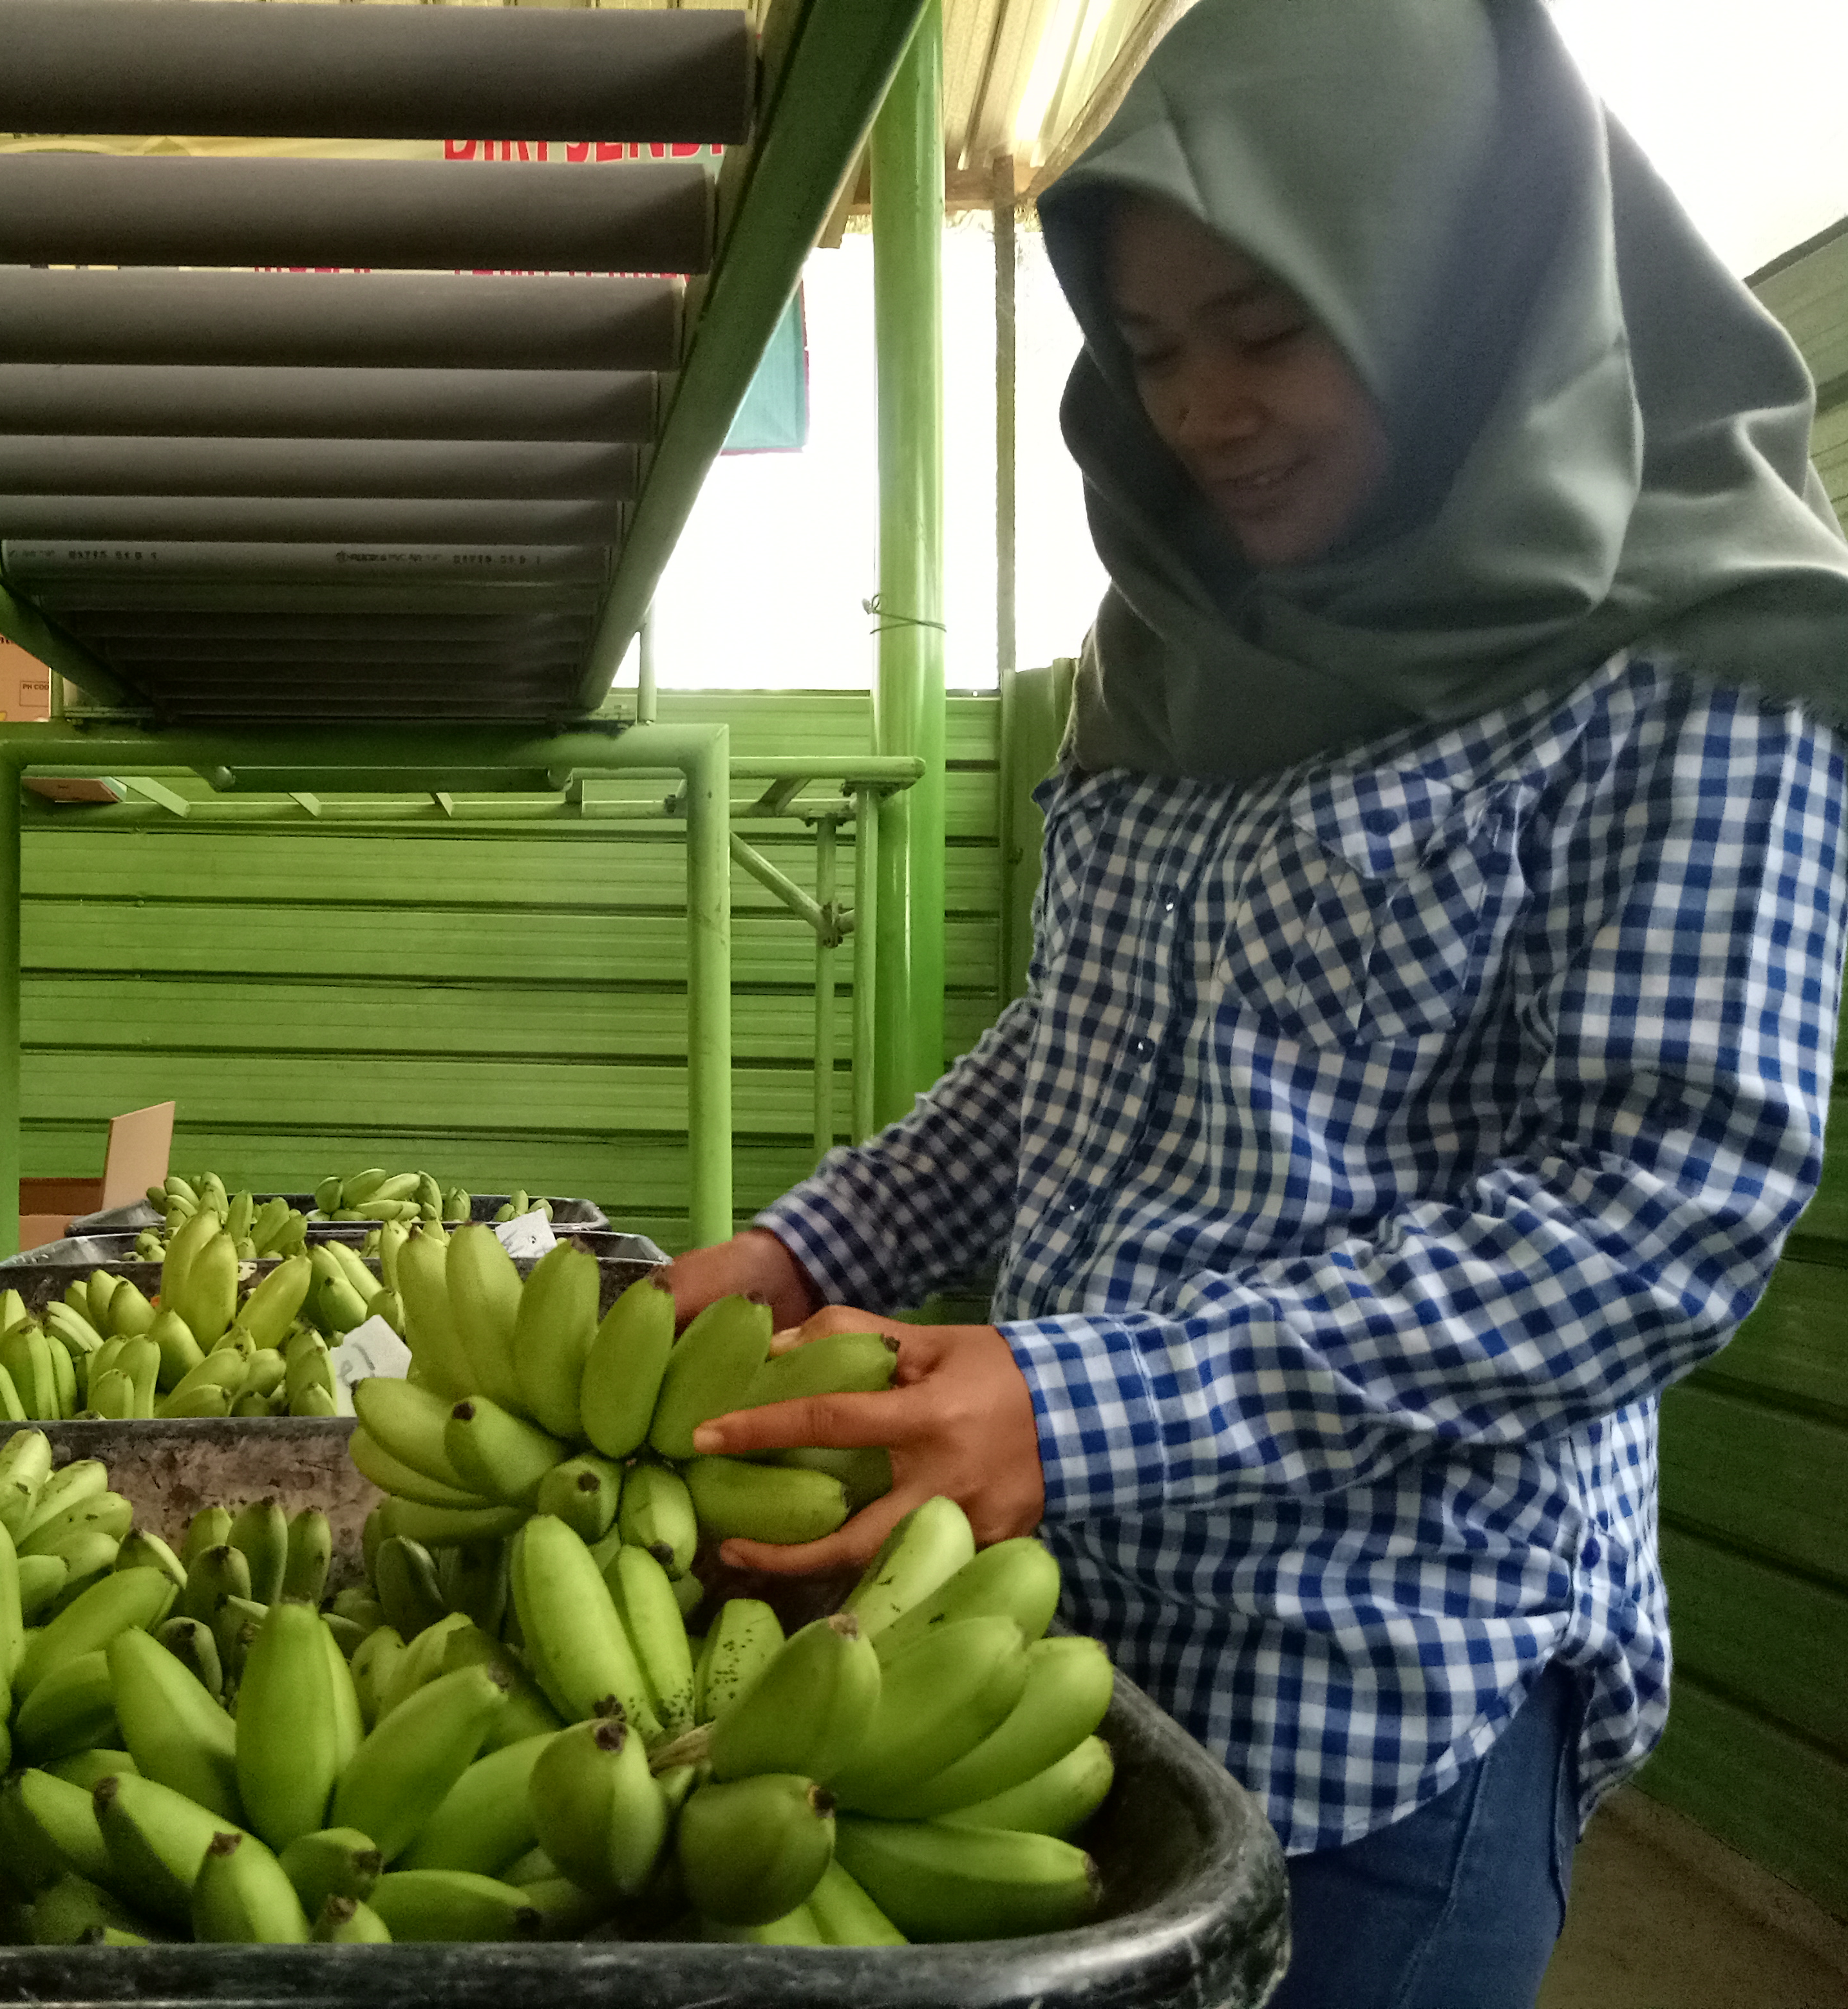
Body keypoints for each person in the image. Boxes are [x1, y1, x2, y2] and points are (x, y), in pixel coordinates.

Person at [663, 2, 1848, 2003]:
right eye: (1151, 348)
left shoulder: (1697, 645)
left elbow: (1663, 1212)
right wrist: (811, 1238)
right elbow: (1086, 1052)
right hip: (1058, 1654)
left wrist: (1084, 1401)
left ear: (1449, 283)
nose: (1205, 406)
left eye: (1269, 327)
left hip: (1384, 1708)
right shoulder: (1183, 638)